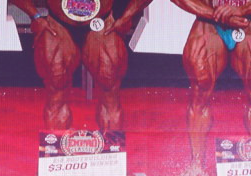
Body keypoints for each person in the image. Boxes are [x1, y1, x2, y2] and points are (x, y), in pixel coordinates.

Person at [173, 0, 251, 176]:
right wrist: (216, 14)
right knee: (200, 87)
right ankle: (196, 164)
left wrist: (243, 9)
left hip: (249, 21)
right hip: (208, 22)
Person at [11, 0, 152, 131]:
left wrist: (128, 16)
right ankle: (57, 146)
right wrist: (34, 16)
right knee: (56, 83)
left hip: (101, 24)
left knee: (108, 82)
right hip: (58, 24)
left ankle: (112, 145)